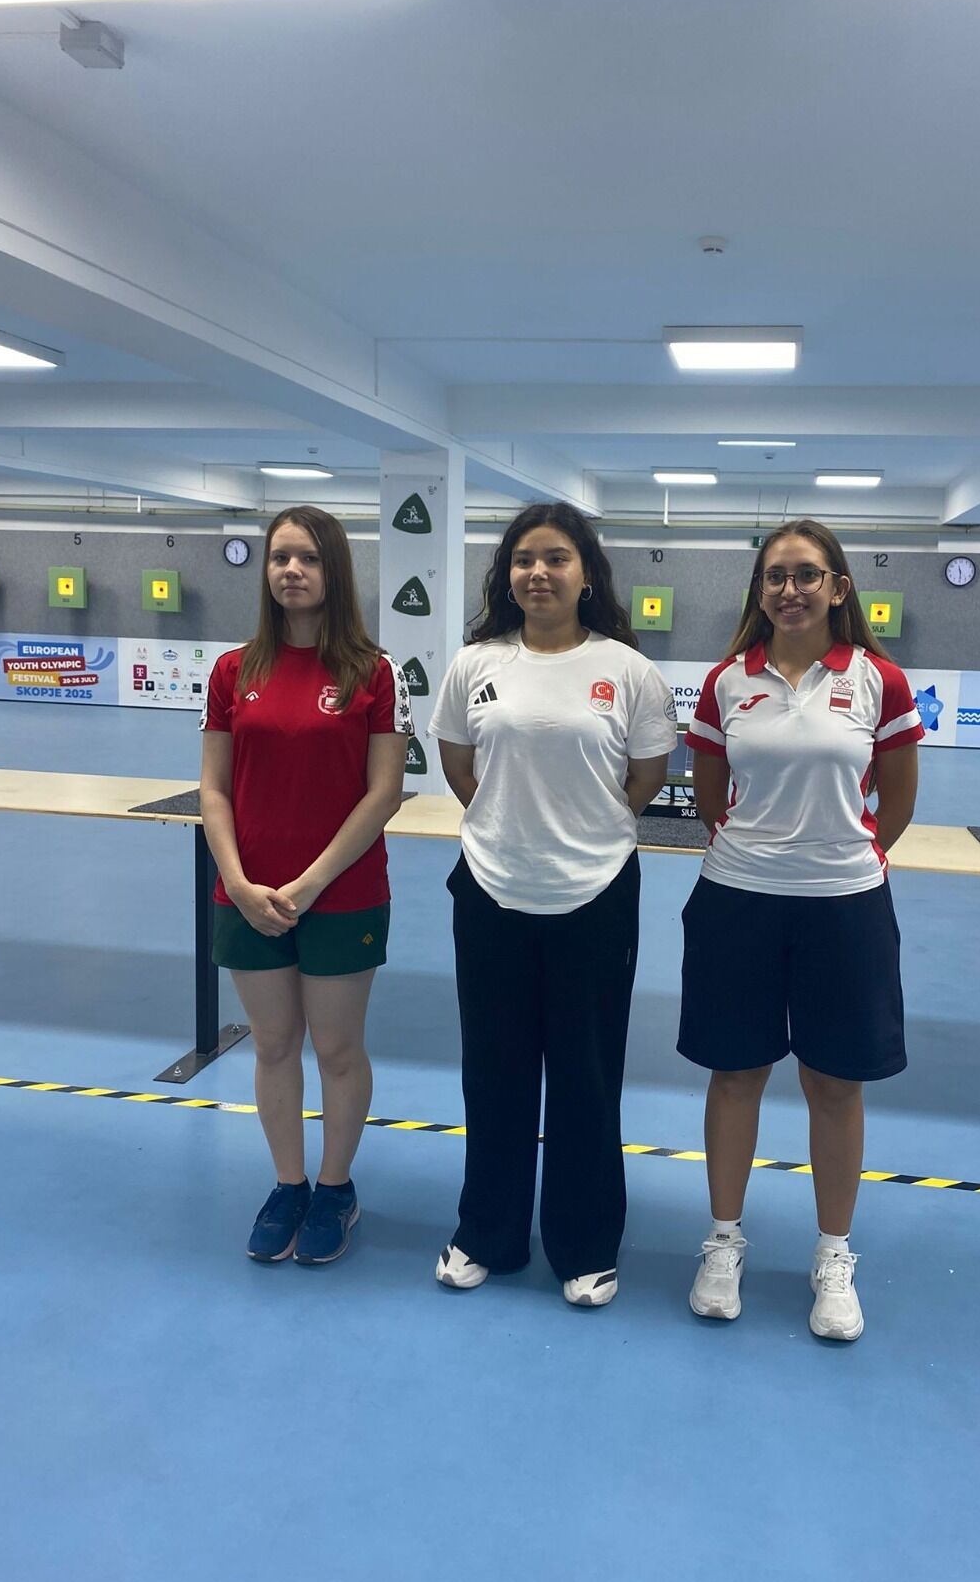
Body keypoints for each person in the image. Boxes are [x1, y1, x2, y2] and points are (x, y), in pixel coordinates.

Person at [678, 519, 922, 1339]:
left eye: (807, 575)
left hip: (846, 906)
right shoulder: (725, 682)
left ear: (838, 587)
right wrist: (761, 853)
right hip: (737, 900)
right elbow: (709, 794)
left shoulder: (880, 681)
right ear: (759, 590)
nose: (790, 590)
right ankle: (723, 1243)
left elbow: (897, 800)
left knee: (835, 1082)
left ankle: (834, 1255)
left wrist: (847, 856)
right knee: (736, 1073)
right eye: (775, 576)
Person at [428, 501, 675, 1306]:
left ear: (587, 574)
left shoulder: (628, 671)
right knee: (493, 1071)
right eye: (524, 558)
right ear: (507, 575)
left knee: (586, 1077)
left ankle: (584, 1243)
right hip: (491, 888)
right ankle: (487, 1232)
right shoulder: (475, 663)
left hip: (596, 894)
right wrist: (507, 824)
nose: (539, 572)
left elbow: (645, 778)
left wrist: (586, 829)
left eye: (557, 558)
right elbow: (458, 762)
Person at [200, 505, 411, 1264]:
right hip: (247, 896)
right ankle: (288, 1185)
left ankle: (334, 1187)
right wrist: (236, 881)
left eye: (310, 558)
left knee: (337, 1048)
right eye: (280, 557)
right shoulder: (233, 672)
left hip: (344, 895)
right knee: (274, 1044)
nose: (292, 570)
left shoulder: (374, 672)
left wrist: (313, 883)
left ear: (335, 572)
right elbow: (213, 788)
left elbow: (384, 793)